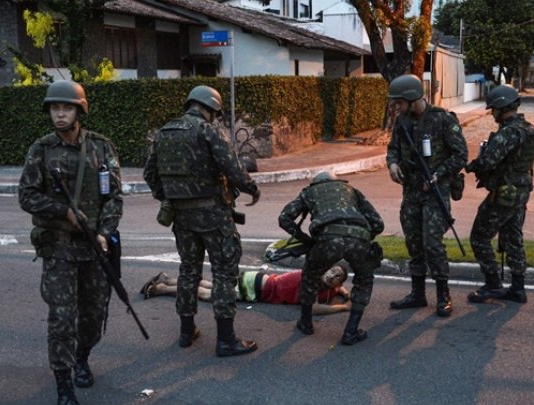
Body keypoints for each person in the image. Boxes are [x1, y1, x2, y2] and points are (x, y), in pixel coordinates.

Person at [18, 80, 123, 405]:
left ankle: (82, 357)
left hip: (94, 249)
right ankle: (64, 389)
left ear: (79, 110)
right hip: (59, 248)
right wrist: (63, 212)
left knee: (93, 317)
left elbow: (114, 197)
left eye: (66, 108)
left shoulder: (101, 148)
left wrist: (105, 233)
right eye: (55, 108)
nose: (60, 114)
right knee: (62, 321)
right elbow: (27, 196)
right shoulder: (41, 150)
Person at [143, 84, 261, 357]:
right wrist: (252, 188)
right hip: (213, 215)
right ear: (211, 109)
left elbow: (150, 173)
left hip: (182, 218)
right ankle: (226, 339)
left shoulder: (164, 133)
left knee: (188, 270)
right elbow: (232, 167)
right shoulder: (208, 131)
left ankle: (187, 332)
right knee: (223, 273)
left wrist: (168, 196)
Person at [385, 74, 468, 317]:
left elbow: (460, 154)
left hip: (435, 193)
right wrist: (392, 165)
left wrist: (438, 174)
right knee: (414, 243)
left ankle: (443, 295)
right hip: (411, 192)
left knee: (432, 244)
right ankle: (417, 293)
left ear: (411, 98)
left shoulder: (442, 119)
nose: (396, 107)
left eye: (399, 102)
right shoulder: (402, 122)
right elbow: (392, 149)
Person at [278, 171, 384, 345]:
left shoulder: (309, 192)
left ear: (316, 184)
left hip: (328, 239)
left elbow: (284, 218)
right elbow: (378, 224)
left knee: (310, 276)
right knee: (364, 281)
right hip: (359, 239)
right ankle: (351, 332)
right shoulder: (351, 190)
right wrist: (363, 237)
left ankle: (306, 323)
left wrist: (306, 239)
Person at [465, 84, 534, 304]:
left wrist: (472, 166)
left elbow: (488, 161)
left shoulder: (508, 133)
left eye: (493, 109)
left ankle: (493, 284)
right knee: (513, 238)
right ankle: (517, 288)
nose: (492, 114)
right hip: (521, 191)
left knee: (479, 237)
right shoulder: (528, 129)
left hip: (505, 192)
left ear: (501, 107)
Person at [140, 265, 352, 315]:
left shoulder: (327, 288)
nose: (332, 276)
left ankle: (169, 280)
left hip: (257, 280)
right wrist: (342, 308)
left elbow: (334, 289)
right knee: (208, 295)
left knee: (210, 285)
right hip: (256, 288)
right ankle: (161, 289)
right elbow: (312, 308)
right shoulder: (312, 279)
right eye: (332, 271)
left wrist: (342, 291)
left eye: (337, 277)